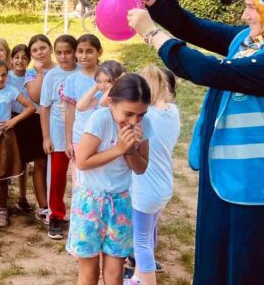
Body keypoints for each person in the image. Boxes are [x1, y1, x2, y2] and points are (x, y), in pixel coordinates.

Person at [123, 0, 264, 284]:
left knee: (256, 273)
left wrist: (152, 34)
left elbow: (211, 71)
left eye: (251, 8)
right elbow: (197, 29)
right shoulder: (253, 40)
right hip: (227, 182)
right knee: (219, 267)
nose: (244, 16)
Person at [67, 74, 151, 285]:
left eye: (140, 115)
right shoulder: (100, 119)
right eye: (128, 114)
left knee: (115, 274)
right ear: (111, 102)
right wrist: (119, 149)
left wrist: (131, 150)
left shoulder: (143, 124)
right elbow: (83, 161)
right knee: (89, 272)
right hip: (90, 203)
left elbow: (141, 168)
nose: (134, 121)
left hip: (120, 202)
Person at [125, 65, 180, 285]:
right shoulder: (172, 112)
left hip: (145, 188)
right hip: (164, 185)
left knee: (141, 242)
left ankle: (144, 280)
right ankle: (139, 275)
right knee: (147, 235)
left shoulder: (146, 119)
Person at [0, 59, 35, 228]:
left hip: (4, 137)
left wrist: (14, 121)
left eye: (4, 75)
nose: (0, 78)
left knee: (2, 175)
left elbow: (30, 107)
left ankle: (3, 209)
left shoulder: (11, 91)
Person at [40, 34, 79, 240]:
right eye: (59, 53)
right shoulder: (51, 76)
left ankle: (82, 216)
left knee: (81, 179)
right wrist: (46, 137)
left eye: (68, 52)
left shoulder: (84, 73)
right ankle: (55, 216)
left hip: (81, 136)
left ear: (75, 52)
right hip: (57, 136)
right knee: (56, 177)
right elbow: (45, 108)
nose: (64, 57)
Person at [64, 34, 103, 188]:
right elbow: (70, 112)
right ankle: (81, 212)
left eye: (89, 51)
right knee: (80, 182)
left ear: (99, 52)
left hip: (104, 137)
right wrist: (68, 141)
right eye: (80, 51)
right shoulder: (72, 80)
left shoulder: (108, 77)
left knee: (101, 180)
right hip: (80, 137)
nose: (84, 56)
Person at [24, 34, 55, 224]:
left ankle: (56, 203)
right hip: (37, 121)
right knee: (40, 164)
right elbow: (35, 96)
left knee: (58, 164)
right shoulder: (31, 73)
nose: (39, 52)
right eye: (34, 50)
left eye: (42, 48)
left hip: (60, 120)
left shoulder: (62, 68)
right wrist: (41, 73)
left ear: (50, 48)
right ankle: (43, 206)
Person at [7, 44, 37, 213]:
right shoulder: (7, 76)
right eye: (16, 57)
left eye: (24, 58)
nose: (20, 60)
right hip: (9, 119)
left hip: (27, 119)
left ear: (28, 61)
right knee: (6, 156)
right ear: (11, 60)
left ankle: (22, 196)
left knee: (23, 161)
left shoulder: (30, 76)